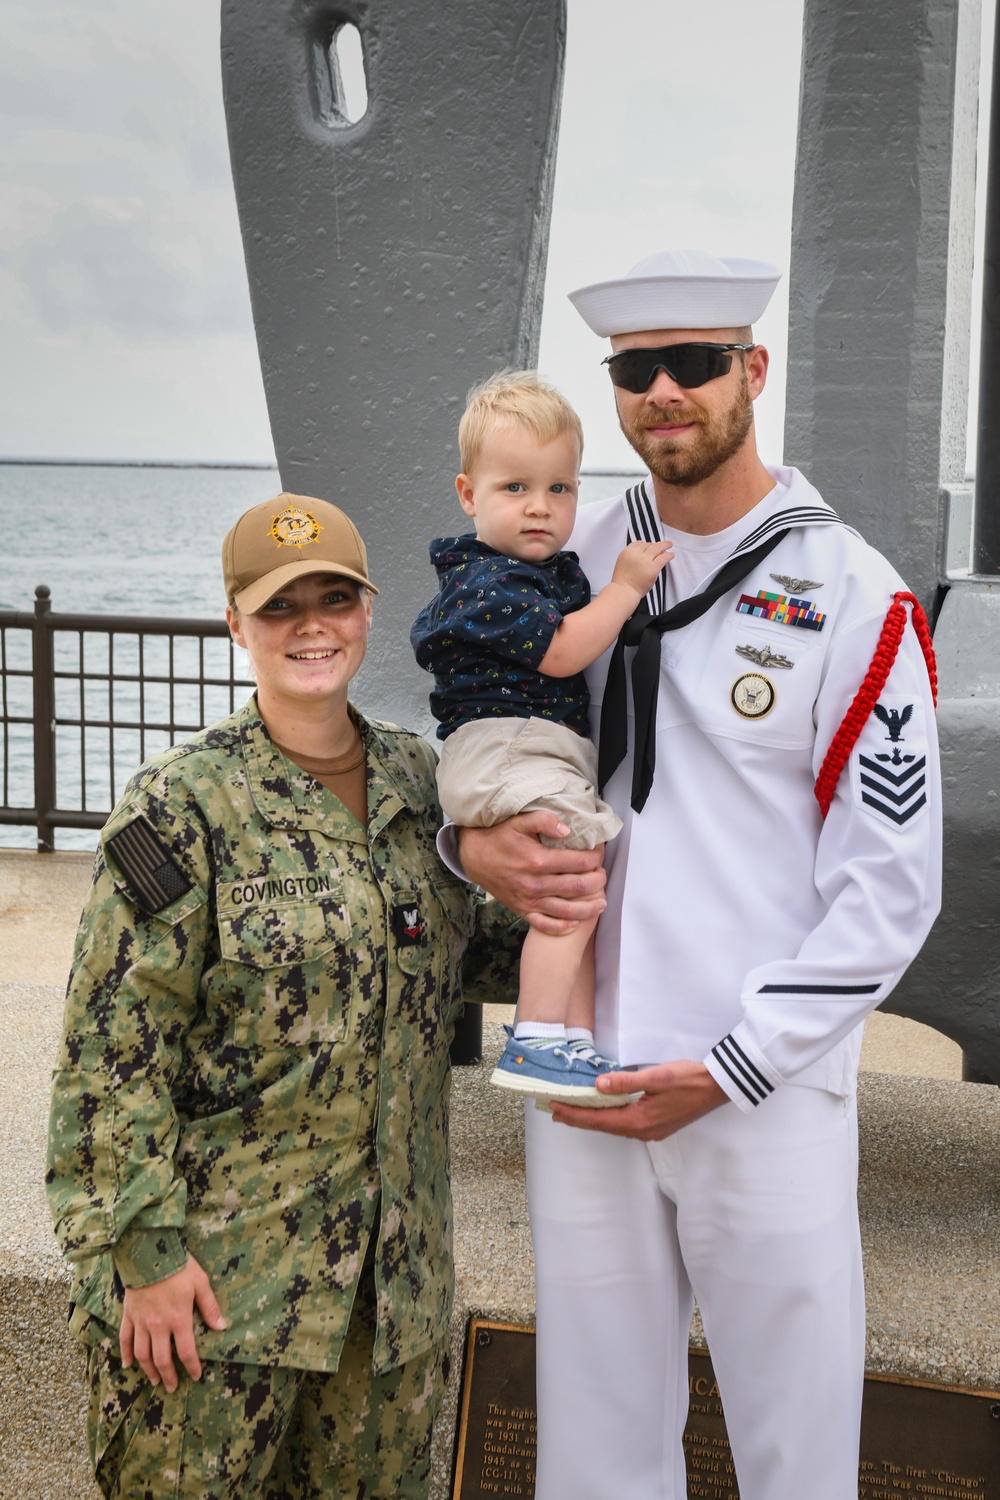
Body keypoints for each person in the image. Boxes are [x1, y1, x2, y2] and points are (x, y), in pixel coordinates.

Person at [451, 250, 942, 1500]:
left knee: (793, 1447)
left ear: (752, 371)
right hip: (583, 1071)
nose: (664, 392)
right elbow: (482, 722)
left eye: (696, 365)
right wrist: (470, 848)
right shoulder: (577, 549)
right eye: (635, 370)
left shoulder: (853, 595)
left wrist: (739, 1064)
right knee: (594, 1450)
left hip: (754, 1086)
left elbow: (891, 884)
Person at [45, 493, 518, 1500]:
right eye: (278, 607)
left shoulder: (419, 782)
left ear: (365, 612)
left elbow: (470, 948)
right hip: (220, 1304)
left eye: (333, 598)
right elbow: (111, 1051)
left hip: (388, 1312)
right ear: (235, 626)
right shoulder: (183, 805)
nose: (310, 626)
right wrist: (146, 1256)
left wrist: (610, 895)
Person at [411, 370, 671, 1104]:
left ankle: (575, 1045)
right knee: (576, 881)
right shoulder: (488, 583)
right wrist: (624, 587)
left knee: (577, 902)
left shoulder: (531, 572)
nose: (540, 507)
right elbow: (562, 652)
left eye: (560, 489)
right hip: (508, 747)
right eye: (515, 488)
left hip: (521, 750)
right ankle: (533, 1039)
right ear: (469, 496)